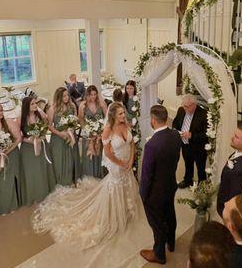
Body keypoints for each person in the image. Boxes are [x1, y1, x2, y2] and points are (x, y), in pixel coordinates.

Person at [32, 102, 139, 250]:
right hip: (116, 164)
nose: (123, 116)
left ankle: (126, 210)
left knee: (127, 183)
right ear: (113, 115)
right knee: (116, 185)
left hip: (127, 161)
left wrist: (131, 160)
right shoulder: (107, 130)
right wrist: (121, 163)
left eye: (123, 113)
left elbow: (132, 144)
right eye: (120, 113)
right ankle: (115, 214)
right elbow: (107, 153)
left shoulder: (126, 125)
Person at [140, 105, 182, 264]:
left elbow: (147, 174)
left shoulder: (152, 145)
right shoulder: (175, 135)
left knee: (157, 222)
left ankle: (159, 254)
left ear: (153, 120)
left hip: (155, 192)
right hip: (170, 184)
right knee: (170, 213)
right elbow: (176, 159)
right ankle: (171, 242)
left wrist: (143, 194)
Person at [18, 97, 56, 205]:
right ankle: (34, 194)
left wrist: (41, 136)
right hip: (28, 149)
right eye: (32, 104)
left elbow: (47, 125)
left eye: (35, 103)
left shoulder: (39, 115)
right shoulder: (21, 118)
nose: (35, 105)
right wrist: (31, 141)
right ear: (26, 106)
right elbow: (19, 136)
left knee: (42, 167)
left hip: (42, 144)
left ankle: (44, 191)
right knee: (32, 171)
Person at [172, 94, 208, 189]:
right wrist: (175, 130)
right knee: (188, 163)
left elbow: (206, 135)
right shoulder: (181, 110)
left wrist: (191, 135)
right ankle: (188, 180)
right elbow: (175, 122)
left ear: (194, 105)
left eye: (186, 106)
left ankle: (202, 184)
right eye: (183, 105)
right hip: (184, 143)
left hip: (198, 146)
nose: (184, 108)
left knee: (200, 166)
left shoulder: (203, 114)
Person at [48, 87, 81, 186]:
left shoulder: (72, 106)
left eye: (67, 95)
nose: (66, 97)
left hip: (71, 136)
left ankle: (73, 178)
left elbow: (76, 120)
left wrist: (71, 129)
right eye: (64, 96)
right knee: (60, 160)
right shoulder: (52, 108)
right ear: (59, 97)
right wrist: (60, 133)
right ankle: (63, 180)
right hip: (58, 138)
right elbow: (49, 126)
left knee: (72, 158)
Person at [78, 85, 107, 178]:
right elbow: (81, 120)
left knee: (99, 153)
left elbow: (107, 118)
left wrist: (101, 130)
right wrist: (88, 131)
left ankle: (99, 174)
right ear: (88, 95)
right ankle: (89, 175)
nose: (93, 97)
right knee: (89, 155)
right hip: (88, 135)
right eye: (91, 95)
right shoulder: (83, 105)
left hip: (99, 134)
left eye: (95, 94)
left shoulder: (101, 103)